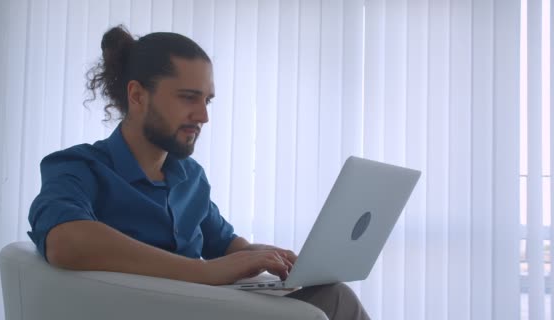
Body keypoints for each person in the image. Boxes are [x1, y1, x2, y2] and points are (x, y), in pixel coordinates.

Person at [27, 25, 370, 320]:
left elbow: (224, 245)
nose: (203, 116)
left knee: (332, 296)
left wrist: (267, 255)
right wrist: (201, 273)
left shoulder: (189, 176)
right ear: (137, 95)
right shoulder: (78, 167)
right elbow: (64, 240)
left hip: (203, 308)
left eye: (207, 101)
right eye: (189, 98)